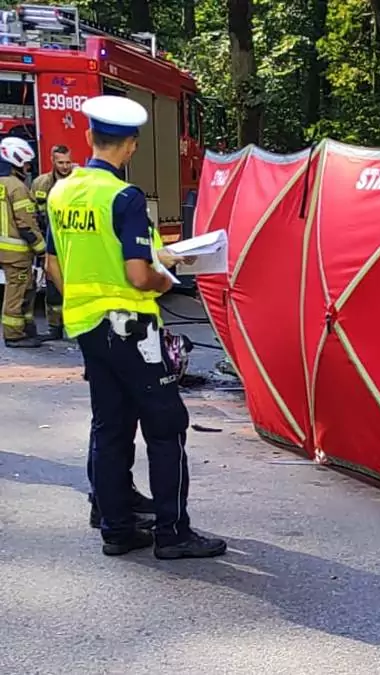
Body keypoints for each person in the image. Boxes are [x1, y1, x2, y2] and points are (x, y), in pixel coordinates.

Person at [43, 95, 225, 559]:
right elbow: (139, 275)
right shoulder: (124, 197)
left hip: (87, 325)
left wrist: (84, 301)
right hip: (132, 329)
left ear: (89, 137)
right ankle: (173, 533)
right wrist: (167, 277)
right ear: (131, 146)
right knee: (167, 425)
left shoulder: (61, 192)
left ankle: (117, 528)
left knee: (110, 426)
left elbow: (52, 264)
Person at [0, 136, 44, 348]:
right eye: (26, 163)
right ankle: (14, 335)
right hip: (16, 252)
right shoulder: (17, 187)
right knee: (16, 290)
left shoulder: (2, 184)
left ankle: (26, 326)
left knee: (25, 287)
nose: (28, 168)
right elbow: (26, 224)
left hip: (4, 249)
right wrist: (42, 249)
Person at [32, 145, 74, 340]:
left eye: (68, 162)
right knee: (52, 286)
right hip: (51, 240)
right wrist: (40, 245)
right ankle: (55, 327)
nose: (65, 166)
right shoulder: (41, 184)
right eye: (61, 162)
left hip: (74, 242)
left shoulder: (78, 182)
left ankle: (78, 326)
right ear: (52, 161)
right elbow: (33, 215)